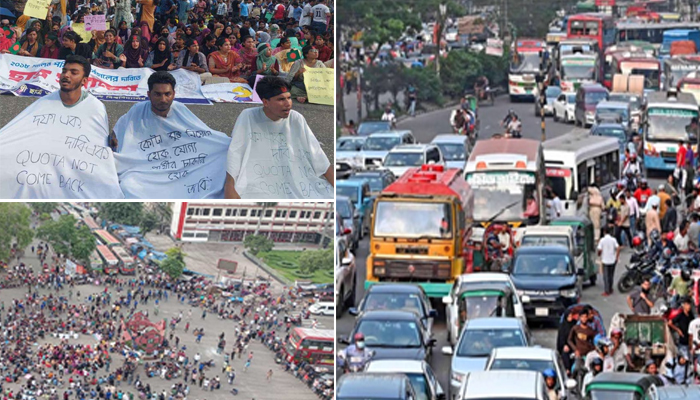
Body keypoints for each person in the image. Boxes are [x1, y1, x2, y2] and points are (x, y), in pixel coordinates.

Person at [0, 55, 123, 199]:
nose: (66, 75)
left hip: (73, 174)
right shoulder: (44, 103)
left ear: (84, 81)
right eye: (64, 71)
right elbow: (18, 132)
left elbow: (97, 144)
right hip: (40, 170)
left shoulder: (95, 108)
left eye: (73, 72)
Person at [110, 71, 231, 199]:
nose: (163, 99)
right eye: (157, 94)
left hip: (180, 167)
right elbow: (118, 131)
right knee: (129, 186)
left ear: (174, 94)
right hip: (146, 169)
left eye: (167, 94)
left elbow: (204, 135)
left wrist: (228, 145)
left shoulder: (180, 109)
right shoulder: (137, 110)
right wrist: (113, 137)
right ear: (149, 94)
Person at [224, 76, 333, 199]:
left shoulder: (296, 118)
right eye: (281, 99)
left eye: (289, 98)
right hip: (258, 180)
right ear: (265, 102)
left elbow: (317, 154)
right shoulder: (247, 116)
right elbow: (236, 152)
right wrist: (229, 186)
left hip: (295, 179)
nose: (288, 104)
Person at [598, 226, 620, 296]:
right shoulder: (613, 240)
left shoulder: (602, 240)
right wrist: (616, 257)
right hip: (612, 259)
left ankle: (607, 291)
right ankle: (610, 288)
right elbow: (618, 248)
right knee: (611, 275)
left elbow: (599, 250)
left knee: (606, 276)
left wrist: (599, 254)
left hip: (605, 260)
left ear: (604, 232)